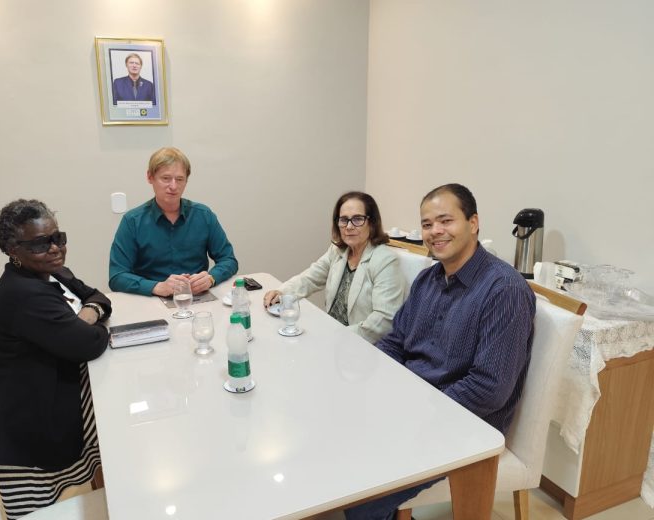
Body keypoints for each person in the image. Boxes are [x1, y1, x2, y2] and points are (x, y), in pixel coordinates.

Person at [345, 184, 536, 520]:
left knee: (361, 493)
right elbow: (396, 341)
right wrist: (374, 383)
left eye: (446, 221)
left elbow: (489, 388)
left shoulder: (504, 290)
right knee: (335, 445)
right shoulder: (428, 279)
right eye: (427, 224)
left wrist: (415, 410)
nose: (435, 231)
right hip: (414, 406)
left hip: (465, 424)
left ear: (473, 223)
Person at [0, 199, 111, 520]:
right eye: (41, 243)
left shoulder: (53, 273)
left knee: (109, 401)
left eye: (58, 238)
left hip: (33, 382)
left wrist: (86, 315)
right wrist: (88, 326)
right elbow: (90, 344)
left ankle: (105, 473)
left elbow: (99, 298)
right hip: (17, 417)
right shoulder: (23, 294)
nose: (55, 248)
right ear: (13, 250)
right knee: (111, 415)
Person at [263, 191, 405, 344]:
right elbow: (310, 278)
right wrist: (283, 292)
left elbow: (383, 321)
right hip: (331, 335)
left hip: (361, 344)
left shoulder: (385, 261)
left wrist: (336, 336)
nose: (349, 226)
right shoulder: (337, 251)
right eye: (343, 220)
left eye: (357, 219)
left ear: (372, 223)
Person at [109, 147, 238, 297]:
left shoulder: (203, 215)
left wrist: (211, 278)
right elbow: (117, 276)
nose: (173, 186)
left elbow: (229, 260)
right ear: (150, 177)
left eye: (180, 179)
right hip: (152, 299)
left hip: (197, 297)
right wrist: (157, 287)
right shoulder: (132, 221)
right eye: (166, 178)